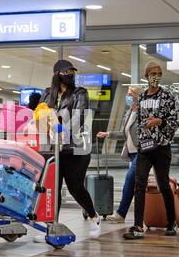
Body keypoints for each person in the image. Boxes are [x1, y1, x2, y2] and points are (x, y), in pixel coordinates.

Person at [35, 59, 100, 242]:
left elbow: (79, 116)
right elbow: (39, 114)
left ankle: (93, 216)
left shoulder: (80, 93)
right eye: (66, 72)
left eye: (72, 72)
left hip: (75, 148)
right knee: (52, 188)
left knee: (75, 187)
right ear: (57, 74)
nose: (70, 75)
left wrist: (60, 128)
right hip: (52, 149)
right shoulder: (47, 93)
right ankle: (52, 226)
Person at [123, 61, 179, 240]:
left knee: (163, 184)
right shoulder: (141, 98)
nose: (156, 76)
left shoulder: (167, 96)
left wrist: (159, 122)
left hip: (162, 147)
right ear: (146, 76)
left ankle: (171, 222)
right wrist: (143, 130)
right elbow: (138, 121)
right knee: (139, 185)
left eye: (159, 73)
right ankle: (138, 225)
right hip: (145, 147)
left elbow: (174, 122)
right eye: (152, 73)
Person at [97, 85, 144, 223]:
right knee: (133, 183)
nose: (127, 96)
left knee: (129, 180)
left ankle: (122, 214)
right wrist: (108, 134)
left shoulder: (143, 112)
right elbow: (125, 133)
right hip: (133, 154)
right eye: (128, 93)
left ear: (137, 96)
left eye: (130, 94)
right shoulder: (129, 112)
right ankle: (124, 215)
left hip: (142, 152)